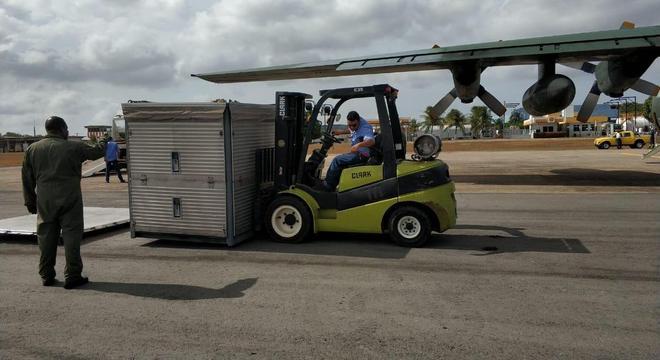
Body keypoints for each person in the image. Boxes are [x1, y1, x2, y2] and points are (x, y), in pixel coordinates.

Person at [22, 116, 105, 289]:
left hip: (45, 200)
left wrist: (30, 201)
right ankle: (73, 275)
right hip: (70, 199)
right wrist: (106, 139)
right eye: (67, 129)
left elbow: (27, 179)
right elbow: (97, 152)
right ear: (62, 129)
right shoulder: (74, 146)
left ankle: (46, 275)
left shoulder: (32, 149)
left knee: (46, 238)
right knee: (72, 237)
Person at [322, 111, 375, 191]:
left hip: (362, 155)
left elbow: (371, 141)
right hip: (357, 153)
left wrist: (358, 145)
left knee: (337, 160)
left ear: (358, 121)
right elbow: (351, 130)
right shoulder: (355, 124)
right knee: (341, 161)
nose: (352, 127)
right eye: (349, 125)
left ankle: (328, 187)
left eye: (354, 125)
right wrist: (339, 132)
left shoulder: (365, 128)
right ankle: (334, 185)